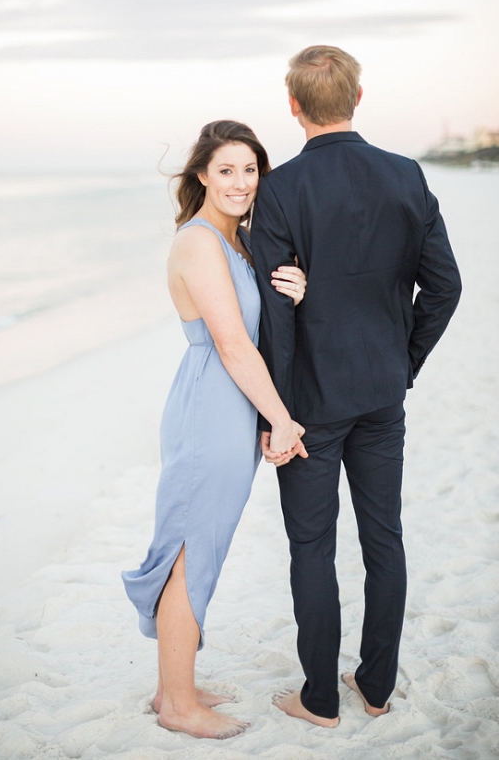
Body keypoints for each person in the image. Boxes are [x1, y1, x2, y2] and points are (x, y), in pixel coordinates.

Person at [251, 45, 462, 728]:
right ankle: (375, 687)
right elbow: (445, 287)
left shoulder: (280, 188)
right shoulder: (405, 174)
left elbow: (275, 310)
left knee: (312, 546)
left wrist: (275, 412)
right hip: (381, 391)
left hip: (310, 402)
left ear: (292, 105)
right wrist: (404, 361)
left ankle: (318, 699)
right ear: (358, 98)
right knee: (385, 539)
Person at [122, 120, 308, 740]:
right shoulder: (201, 242)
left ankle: (174, 685)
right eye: (226, 170)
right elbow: (231, 344)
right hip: (210, 407)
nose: (240, 182)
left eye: (250, 169)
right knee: (188, 553)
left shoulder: (242, 242)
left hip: (233, 406)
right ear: (201, 173)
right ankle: (177, 704)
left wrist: (296, 287)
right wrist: (280, 419)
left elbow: (261, 327)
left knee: (202, 549)